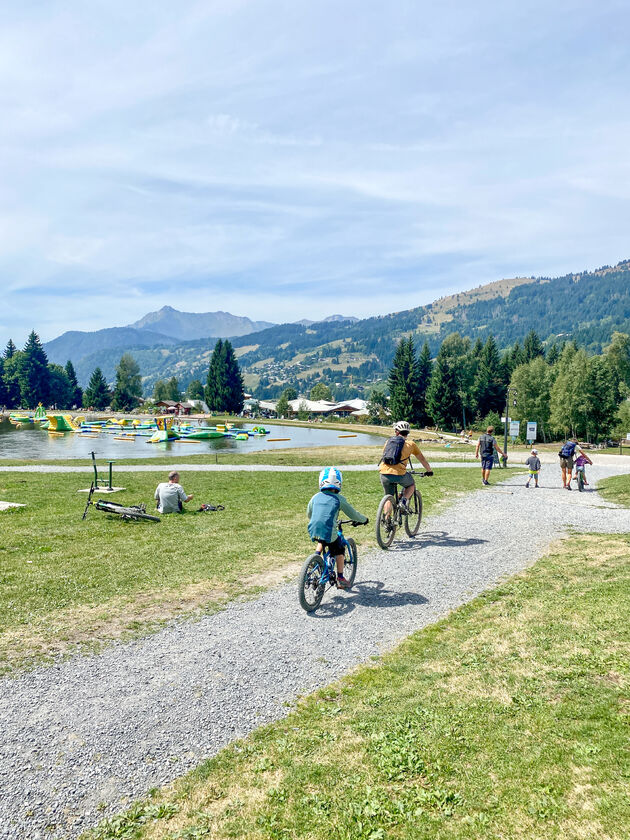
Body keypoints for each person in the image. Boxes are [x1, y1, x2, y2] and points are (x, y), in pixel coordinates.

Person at [307, 467, 368, 590]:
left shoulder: (315, 497)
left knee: (322, 540)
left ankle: (315, 558)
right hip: (330, 531)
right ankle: (340, 578)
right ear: (339, 482)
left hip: (313, 528)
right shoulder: (339, 499)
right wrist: (364, 519)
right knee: (339, 549)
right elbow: (353, 514)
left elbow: (309, 513)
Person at [378, 420, 433, 513]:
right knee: (411, 485)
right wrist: (429, 470)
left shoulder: (388, 442)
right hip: (399, 474)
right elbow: (422, 459)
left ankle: (387, 521)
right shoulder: (411, 444)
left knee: (388, 497)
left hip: (384, 473)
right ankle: (403, 502)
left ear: (396, 432)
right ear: (407, 432)